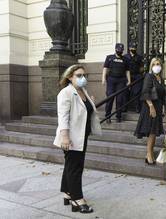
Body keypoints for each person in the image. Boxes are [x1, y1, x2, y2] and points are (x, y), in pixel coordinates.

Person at [53, 64, 102, 213]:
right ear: (69, 77)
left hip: (82, 135)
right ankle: (77, 198)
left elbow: (85, 110)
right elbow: (63, 117)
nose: (82, 78)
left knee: (71, 165)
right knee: (75, 168)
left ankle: (67, 193)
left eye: (84, 75)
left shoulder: (82, 91)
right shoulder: (65, 93)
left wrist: (90, 102)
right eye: (79, 76)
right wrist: (65, 137)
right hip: (71, 137)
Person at [134, 57, 166, 164]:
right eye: (154, 64)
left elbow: (162, 95)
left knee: (154, 131)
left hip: (158, 106)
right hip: (150, 107)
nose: (156, 66)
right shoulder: (149, 76)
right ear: (151, 66)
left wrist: (163, 107)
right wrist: (151, 106)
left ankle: (151, 152)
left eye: (158, 64)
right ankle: (148, 154)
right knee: (152, 132)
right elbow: (145, 92)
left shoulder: (160, 79)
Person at [102, 43, 131, 123]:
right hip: (111, 80)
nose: (120, 51)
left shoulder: (125, 59)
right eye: (118, 50)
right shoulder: (109, 57)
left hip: (121, 81)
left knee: (119, 99)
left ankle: (118, 116)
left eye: (121, 50)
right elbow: (105, 68)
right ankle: (108, 116)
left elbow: (127, 71)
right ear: (115, 49)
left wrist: (129, 80)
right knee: (110, 98)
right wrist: (103, 78)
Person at [124, 42, 144, 113]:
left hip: (136, 76)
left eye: (134, 48)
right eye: (132, 47)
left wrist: (140, 71)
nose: (133, 49)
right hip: (127, 76)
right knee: (125, 92)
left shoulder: (139, 57)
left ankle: (137, 107)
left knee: (136, 92)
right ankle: (124, 108)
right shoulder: (125, 57)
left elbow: (142, 68)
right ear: (129, 48)